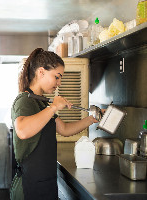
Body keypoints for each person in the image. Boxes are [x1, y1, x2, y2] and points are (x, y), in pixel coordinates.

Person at [10, 48, 100, 200]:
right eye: (57, 77)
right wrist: (53, 108)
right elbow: (22, 131)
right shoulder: (24, 100)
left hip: (45, 183)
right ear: (41, 72)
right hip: (29, 186)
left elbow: (64, 129)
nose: (59, 83)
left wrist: (91, 119)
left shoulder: (41, 103)